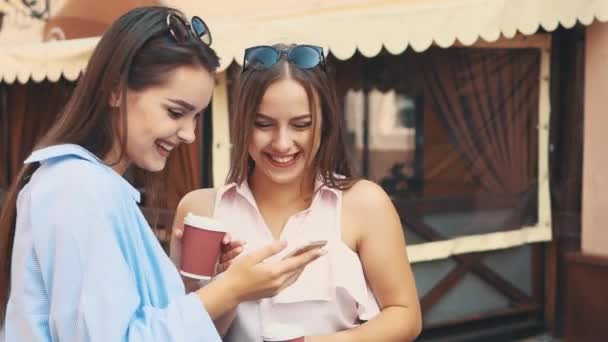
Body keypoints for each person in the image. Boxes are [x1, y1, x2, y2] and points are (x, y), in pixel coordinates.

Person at [0, 8, 323, 341]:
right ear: (115, 89)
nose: (189, 135)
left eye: (196, 116)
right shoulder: (78, 189)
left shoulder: (93, 186)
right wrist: (229, 289)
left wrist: (191, 284)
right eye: (176, 112)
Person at [172, 44, 422, 341]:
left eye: (301, 125)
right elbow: (182, 333)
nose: (282, 143)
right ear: (242, 123)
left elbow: (405, 315)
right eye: (263, 124)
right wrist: (223, 291)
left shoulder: (365, 204)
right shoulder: (200, 211)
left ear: (324, 123)